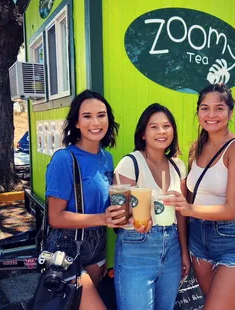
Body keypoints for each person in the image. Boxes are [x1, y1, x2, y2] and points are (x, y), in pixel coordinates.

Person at [164, 84, 235, 310]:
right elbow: (191, 198)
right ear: (198, 112)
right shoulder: (198, 147)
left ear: (230, 113)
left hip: (231, 236)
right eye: (205, 108)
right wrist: (185, 249)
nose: (211, 115)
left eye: (219, 108)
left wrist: (189, 209)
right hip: (198, 237)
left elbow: (231, 209)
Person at [106, 103, 190, 310]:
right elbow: (119, 213)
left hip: (171, 248)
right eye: (154, 127)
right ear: (143, 133)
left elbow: (181, 215)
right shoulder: (130, 163)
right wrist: (136, 219)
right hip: (137, 247)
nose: (161, 132)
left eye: (167, 126)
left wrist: (184, 252)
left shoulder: (178, 166)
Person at [45, 89, 121, 310]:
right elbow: (55, 217)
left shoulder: (107, 158)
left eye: (101, 114)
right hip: (67, 248)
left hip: (97, 247)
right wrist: (102, 218)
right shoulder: (64, 159)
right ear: (76, 122)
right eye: (87, 116)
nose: (95, 122)